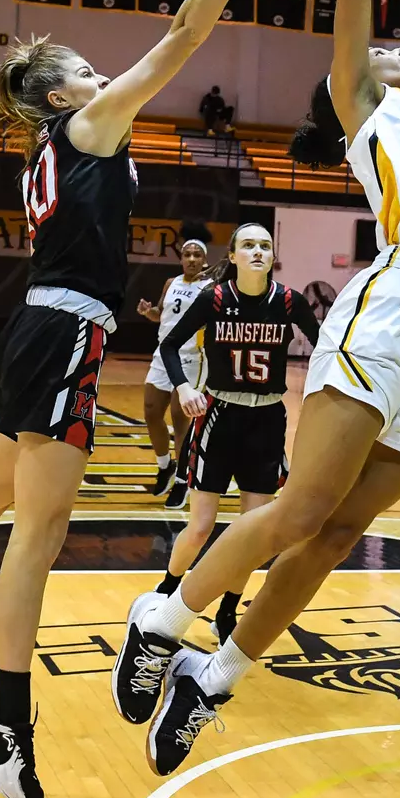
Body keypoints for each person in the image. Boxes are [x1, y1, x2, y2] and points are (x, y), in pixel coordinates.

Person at [0, 0, 315, 798]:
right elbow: (184, 35)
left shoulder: (52, 146)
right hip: (66, 331)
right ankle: (5, 716)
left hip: (39, 325)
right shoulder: (89, 127)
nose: (103, 74)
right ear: (62, 96)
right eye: (85, 70)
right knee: (37, 535)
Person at [113, 0, 400, 778]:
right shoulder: (369, 113)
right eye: (385, 51)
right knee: (299, 509)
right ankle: (160, 624)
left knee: (340, 535)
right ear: (359, 84)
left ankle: (212, 677)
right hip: (398, 303)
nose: (399, 50)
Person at [152, 223, 320, 640]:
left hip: (266, 422)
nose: (258, 251)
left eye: (265, 245)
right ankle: (168, 589)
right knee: (201, 526)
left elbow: (327, 348)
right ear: (233, 255)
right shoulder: (215, 298)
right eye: (249, 245)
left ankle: (227, 610)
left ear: (272, 255)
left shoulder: (288, 302)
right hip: (219, 417)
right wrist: (185, 386)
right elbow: (170, 345)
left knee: (252, 531)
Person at [136, 227, 212, 508]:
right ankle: (164, 465)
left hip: (192, 357)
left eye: (197, 255)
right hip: (162, 355)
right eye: (187, 254)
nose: (191, 259)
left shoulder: (210, 288)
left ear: (204, 260)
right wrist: (148, 313)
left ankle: (183, 480)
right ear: (181, 259)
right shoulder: (170, 283)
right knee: (151, 411)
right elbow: (161, 314)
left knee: (182, 420)